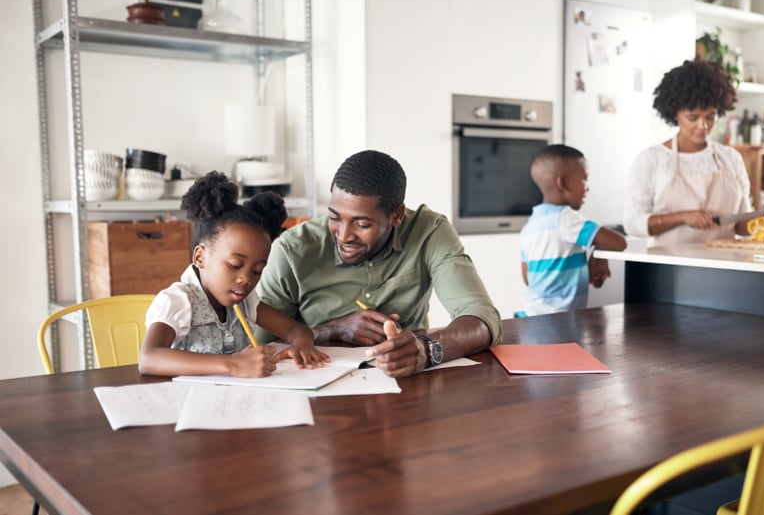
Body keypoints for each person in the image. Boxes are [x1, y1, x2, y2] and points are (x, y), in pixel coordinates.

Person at [256, 149, 502, 378]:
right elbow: (259, 345)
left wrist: (426, 350)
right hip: (314, 384)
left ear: (396, 215)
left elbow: (482, 317)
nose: (343, 236)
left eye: (362, 224)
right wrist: (333, 330)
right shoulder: (291, 249)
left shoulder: (429, 231)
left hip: (407, 384)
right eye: (334, 217)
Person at [139, 171, 329, 377]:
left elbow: (296, 330)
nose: (246, 279)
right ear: (200, 257)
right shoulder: (178, 300)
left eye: (257, 271)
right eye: (234, 265)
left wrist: (302, 344)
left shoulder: (246, 303)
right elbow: (149, 358)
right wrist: (232, 364)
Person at [623, 59, 752, 247]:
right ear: (675, 113)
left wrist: (763, 224)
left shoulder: (731, 159)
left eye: (710, 116)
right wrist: (683, 217)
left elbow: (741, 225)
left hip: (726, 265)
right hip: (670, 269)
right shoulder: (651, 160)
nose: (703, 125)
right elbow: (633, 223)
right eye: (693, 117)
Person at [519, 144, 627, 316]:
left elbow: (527, 278)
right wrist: (598, 250)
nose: (587, 187)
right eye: (585, 179)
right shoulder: (566, 219)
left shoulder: (530, 226)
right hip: (559, 319)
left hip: (531, 316)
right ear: (564, 183)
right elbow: (619, 242)